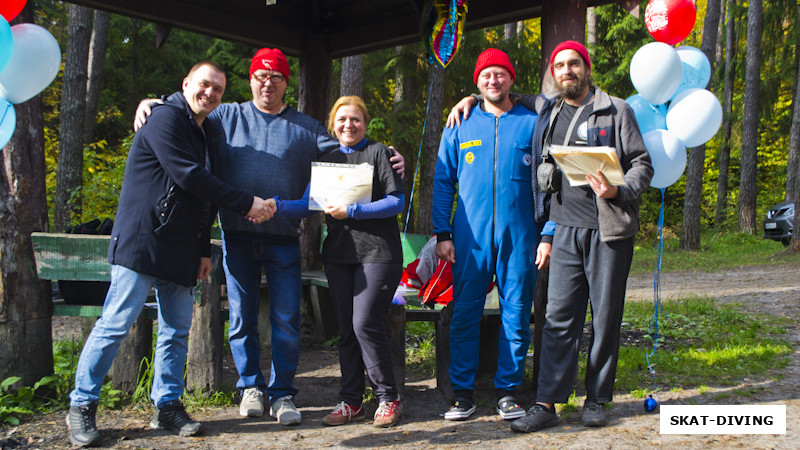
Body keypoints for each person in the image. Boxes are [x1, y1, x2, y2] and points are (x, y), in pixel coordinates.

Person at [134, 48, 404, 426]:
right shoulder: (226, 116)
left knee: (286, 320)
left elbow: (348, 152)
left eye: (276, 76)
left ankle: (282, 394)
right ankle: (251, 388)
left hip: (283, 239)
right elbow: (188, 111)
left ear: (285, 84)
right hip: (237, 237)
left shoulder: (308, 128)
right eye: (261, 74)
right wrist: (156, 103)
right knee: (243, 318)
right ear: (250, 79)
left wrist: (388, 156)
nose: (268, 81)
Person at [66, 61, 274, 447]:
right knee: (115, 324)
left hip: (181, 251)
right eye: (204, 85)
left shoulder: (208, 131)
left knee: (177, 331)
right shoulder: (164, 119)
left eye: (217, 89)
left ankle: (167, 407)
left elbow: (203, 193)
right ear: (185, 84)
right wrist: (247, 202)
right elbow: (188, 176)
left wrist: (202, 249)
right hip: (141, 243)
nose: (210, 93)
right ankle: (81, 404)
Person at [450, 40, 653, 431]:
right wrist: (471, 99)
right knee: (556, 319)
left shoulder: (616, 110)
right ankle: (546, 403)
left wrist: (618, 190)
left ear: (586, 68)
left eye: (574, 64)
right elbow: (500, 91)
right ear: (554, 74)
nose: (567, 71)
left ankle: (596, 399)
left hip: (609, 231)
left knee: (605, 318)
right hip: (562, 229)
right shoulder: (548, 108)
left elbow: (642, 163)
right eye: (560, 65)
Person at [432, 48, 550, 422]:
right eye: (486, 75)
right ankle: (462, 395)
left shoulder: (532, 122)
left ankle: (507, 392)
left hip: (521, 235)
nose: (493, 81)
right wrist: (442, 232)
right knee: (465, 312)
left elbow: (550, 184)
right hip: (471, 237)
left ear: (511, 79)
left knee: (516, 313)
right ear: (476, 81)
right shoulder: (460, 123)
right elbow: (442, 181)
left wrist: (547, 231)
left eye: (500, 74)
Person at [275, 96, 405, 427]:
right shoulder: (328, 159)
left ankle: (388, 398)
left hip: (378, 253)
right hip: (339, 255)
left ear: (365, 123)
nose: (349, 125)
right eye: (342, 119)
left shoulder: (379, 153)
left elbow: (395, 201)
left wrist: (354, 211)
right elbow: (308, 203)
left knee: (365, 323)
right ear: (334, 124)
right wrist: (272, 205)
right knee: (347, 328)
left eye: (356, 119)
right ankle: (350, 402)